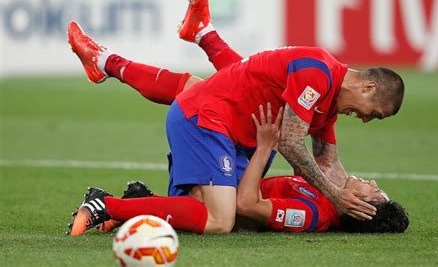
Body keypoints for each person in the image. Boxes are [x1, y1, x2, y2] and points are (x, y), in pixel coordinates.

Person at [67, 0, 405, 234]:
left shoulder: (327, 104)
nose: (364, 120)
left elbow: (328, 162)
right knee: (220, 219)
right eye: (373, 113)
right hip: (212, 121)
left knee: (201, 90)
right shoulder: (317, 74)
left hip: (231, 126)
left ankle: (120, 58)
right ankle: (106, 204)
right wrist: (336, 196)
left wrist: (341, 201)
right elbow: (289, 142)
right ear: (368, 88)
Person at [67, 104, 408, 235]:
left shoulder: (312, 215)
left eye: (374, 192)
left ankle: (109, 205)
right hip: (230, 180)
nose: (372, 181)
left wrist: (263, 148)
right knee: (201, 92)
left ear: (362, 209)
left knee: (218, 218)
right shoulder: (327, 192)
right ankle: (142, 203)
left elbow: (247, 205)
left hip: (230, 195)